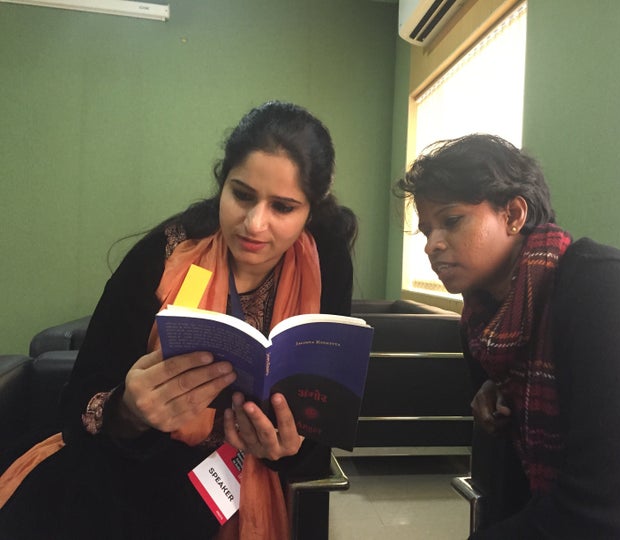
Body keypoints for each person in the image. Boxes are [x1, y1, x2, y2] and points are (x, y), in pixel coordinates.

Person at [0, 100, 358, 539]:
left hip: (245, 480)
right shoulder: (165, 253)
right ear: (221, 183)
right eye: (242, 195)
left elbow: (325, 419)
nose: (254, 224)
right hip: (132, 480)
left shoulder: (326, 263)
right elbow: (78, 406)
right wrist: (127, 411)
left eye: (283, 207)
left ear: (310, 210)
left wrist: (289, 449)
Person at [395, 133, 620, 539]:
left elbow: (601, 510)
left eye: (451, 220)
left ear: (513, 214)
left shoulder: (607, 291)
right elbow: (515, 480)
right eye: (426, 230)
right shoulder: (484, 322)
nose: (432, 245)